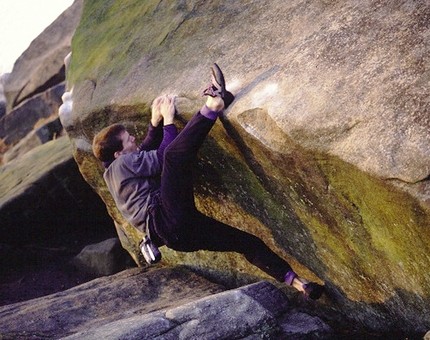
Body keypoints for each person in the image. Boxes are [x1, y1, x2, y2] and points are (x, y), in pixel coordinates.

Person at [92, 63, 324, 300]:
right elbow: (163, 157)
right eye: (128, 139)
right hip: (165, 216)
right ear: (118, 155)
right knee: (172, 157)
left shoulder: (114, 171)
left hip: (177, 236)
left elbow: (143, 152)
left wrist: (154, 123)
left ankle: (298, 283)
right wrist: (169, 121)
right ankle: (213, 104)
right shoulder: (122, 164)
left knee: (245, 242)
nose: (133, 139)